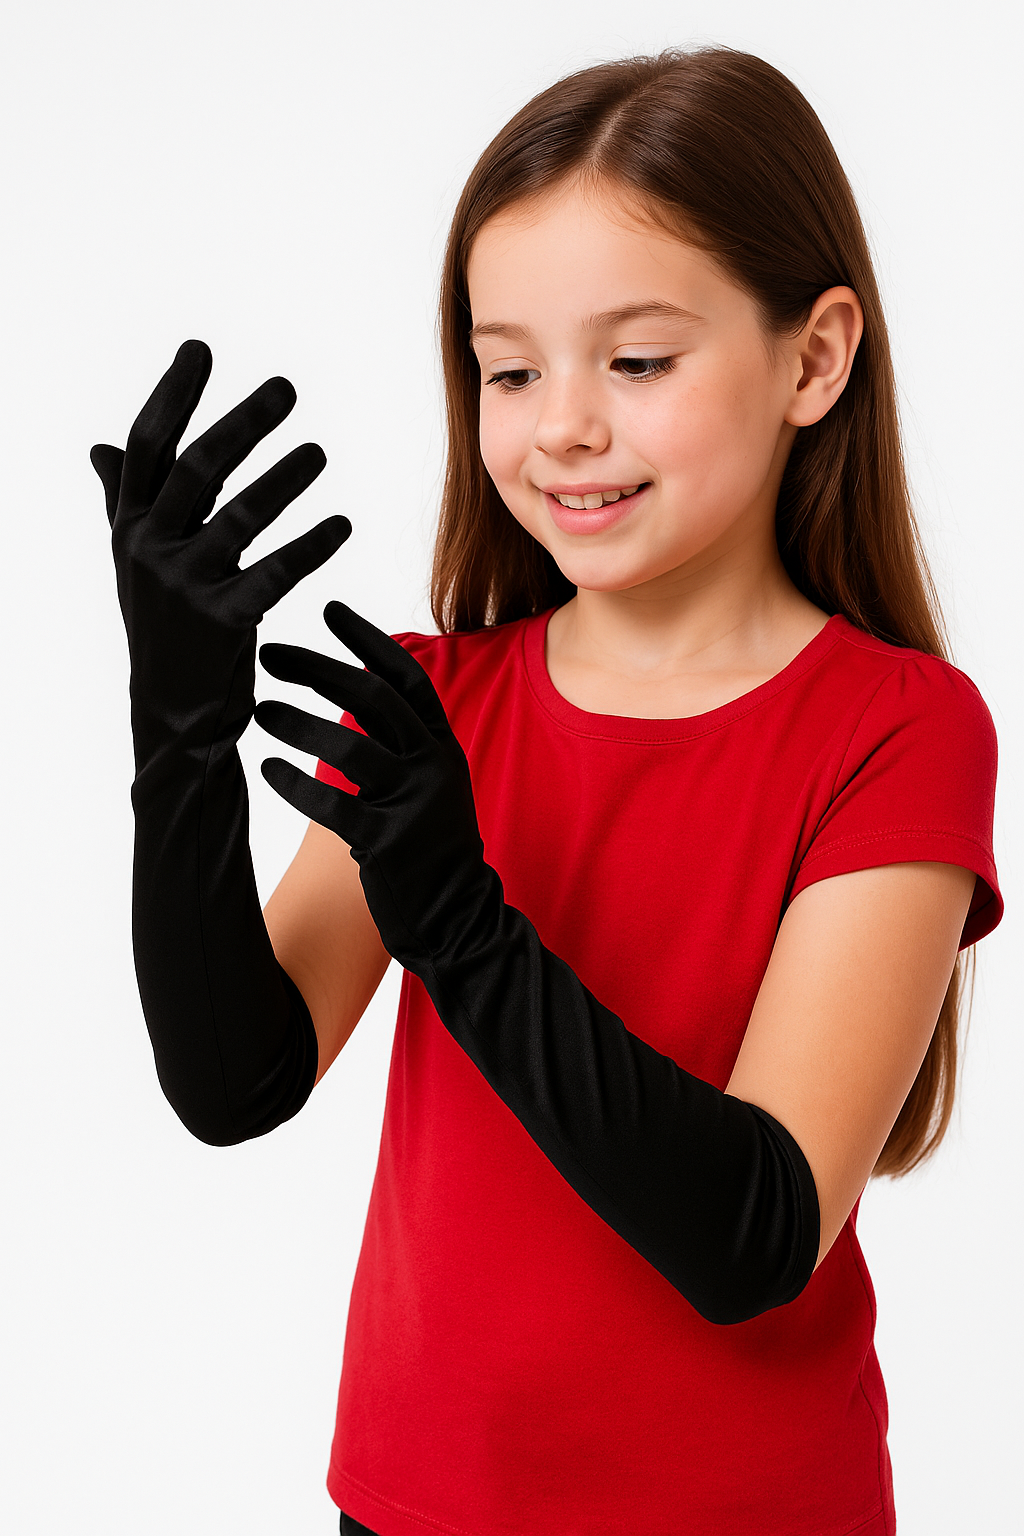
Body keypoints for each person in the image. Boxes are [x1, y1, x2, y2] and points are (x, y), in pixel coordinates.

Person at [92, 46, 1002, 1536]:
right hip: (414, 1502)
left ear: (814, 359)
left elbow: (756, 1232)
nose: (561, 424)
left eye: (637, 362)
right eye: (509, 370)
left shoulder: (896, 730)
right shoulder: (435, 706)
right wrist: (176, 733)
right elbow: (235, 1082)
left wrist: (461, 924)